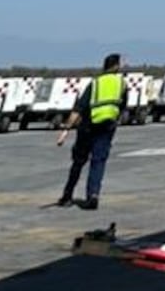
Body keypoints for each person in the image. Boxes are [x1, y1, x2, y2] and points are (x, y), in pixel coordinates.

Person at [55, 53, 128, 209]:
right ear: (116, 66)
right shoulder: (121, 84)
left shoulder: (95, 83)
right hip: (107, 127)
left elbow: (79, 108)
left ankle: (67, 195)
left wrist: (66, 128)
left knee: (78, 162)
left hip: (88, 127)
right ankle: (93, 195)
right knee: (98, 161)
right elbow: (122, 106)